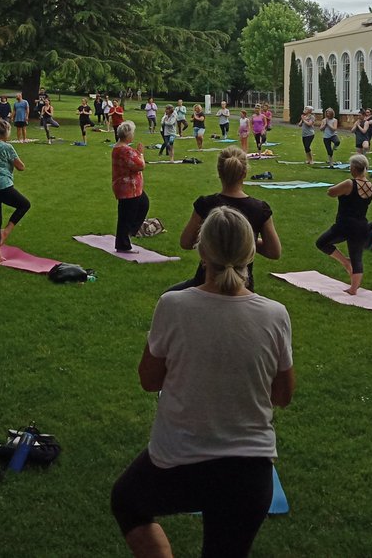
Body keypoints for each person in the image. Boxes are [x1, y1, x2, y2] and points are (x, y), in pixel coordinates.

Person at [110, 207, 294, 558]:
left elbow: (149, 381)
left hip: (179, 461)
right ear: (250, 254)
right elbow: (283, 395)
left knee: (127, 501)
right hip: (249, 472)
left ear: (202, 252)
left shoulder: (174, 305)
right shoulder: (275, 315)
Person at [168, 146, 281, 292]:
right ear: (244, 173)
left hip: (206, 281)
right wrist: (245, 240)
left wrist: (216, 239)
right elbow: (274, 251)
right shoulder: (259, 209)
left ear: (219, 172)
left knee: (169, 294)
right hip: (242, 285)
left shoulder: (206, 204)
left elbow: (186, 242)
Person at [316, 153, 372, 295]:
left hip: (345, 224)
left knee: (322, 243)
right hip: (361, 225)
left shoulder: (350, 183)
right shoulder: (371, 186)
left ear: (354, 168)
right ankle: (353, 289)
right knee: (357, 257)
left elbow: (331, 192)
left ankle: (345, 262)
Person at [0, 120, 29, 263]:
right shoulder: (7, 147)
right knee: (24, 204)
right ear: (5, 133)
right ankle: (6, 231)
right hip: (2, 185)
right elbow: (21, 167)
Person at [112, 121, 149, 252]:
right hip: (129, 188)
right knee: (127, 215)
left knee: (143, 204)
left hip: (127, 187)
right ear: (128, 135)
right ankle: (124, 242)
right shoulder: (125, 150)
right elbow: (141, 165)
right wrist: (141, 154)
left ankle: (128, 234)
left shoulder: (118, 147)